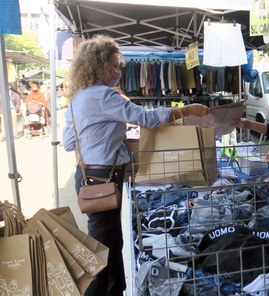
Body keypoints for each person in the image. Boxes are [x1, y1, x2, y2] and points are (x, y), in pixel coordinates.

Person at [62, 35, 209, 296]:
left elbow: (69, 142)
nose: (118, 72)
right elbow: (146, 117)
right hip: (104, 179)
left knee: (110, 241)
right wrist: (185, 110)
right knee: (104, 246)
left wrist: (107, 136)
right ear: (98, 67)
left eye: (119, 66)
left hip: (88, 176)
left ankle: (115, 289)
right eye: (113, 66)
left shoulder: (79, 97)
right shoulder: (104, 95)